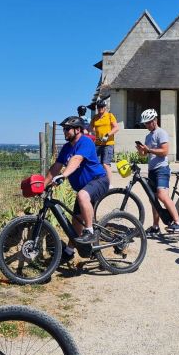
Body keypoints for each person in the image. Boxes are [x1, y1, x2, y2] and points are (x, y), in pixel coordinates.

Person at [45, 115, 109, 263]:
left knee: (82, 196)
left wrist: (64, 175)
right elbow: (56, 167)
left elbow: (76, 159)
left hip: (98, 180)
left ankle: (90, 231)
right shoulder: (67, 148)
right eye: (63, 129)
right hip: (85, 186)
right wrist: (43, 184)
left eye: (67, 129)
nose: (65, 132)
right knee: (76, 222)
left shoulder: (85, 142)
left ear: (78, 129)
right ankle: (69, 251)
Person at [136, 109, 179, 236]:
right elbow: (144, 155)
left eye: (148, 123)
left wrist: (149, 150)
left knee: (162, 196)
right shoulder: (148, 136)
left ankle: (178, 223)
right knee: (153, 200)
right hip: (152, 170)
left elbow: (164, 151)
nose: (146, 125)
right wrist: (141, 150)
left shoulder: (161, 133)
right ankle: (156, 226)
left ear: (154, 120)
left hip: (162, 169)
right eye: (144, 123)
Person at [89, 98, 119, 178]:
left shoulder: (109, 116)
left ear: (105, 107)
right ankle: (100, 182)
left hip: (108, 144)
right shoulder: (95, 117)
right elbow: (90, 128)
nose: (100, 108)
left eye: (101, 107)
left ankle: (109, 184)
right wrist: (93, 133)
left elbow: (116, 128)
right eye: (98, 107)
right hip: (98, 144)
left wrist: (107, 135)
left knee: (105, 164)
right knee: (97, 164)